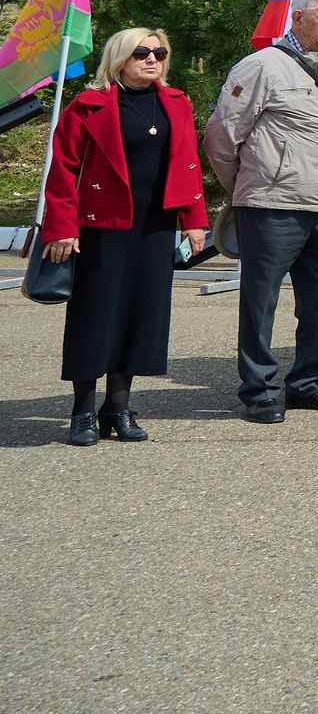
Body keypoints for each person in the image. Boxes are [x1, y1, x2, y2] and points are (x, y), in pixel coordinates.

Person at [41, 27, 210, 444]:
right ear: (118, 57)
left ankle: (117, 407)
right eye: (140, 52)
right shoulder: (88, 105)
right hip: (100, 227)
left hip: (155, 227)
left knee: (141, 314)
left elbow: (188, 164)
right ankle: (82, 411)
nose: (152, 59)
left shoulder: (176, 102)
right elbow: (62, 170)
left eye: (159, 52)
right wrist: (61, 226)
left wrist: (194, 219)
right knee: (95, 317)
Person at [206, 0, 318, 424]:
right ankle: (259, 389)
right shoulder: (261, 66)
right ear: (299, 17)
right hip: (271, 205)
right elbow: (221, 137)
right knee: (260, 302)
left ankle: (308, 383)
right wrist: (251, 188)